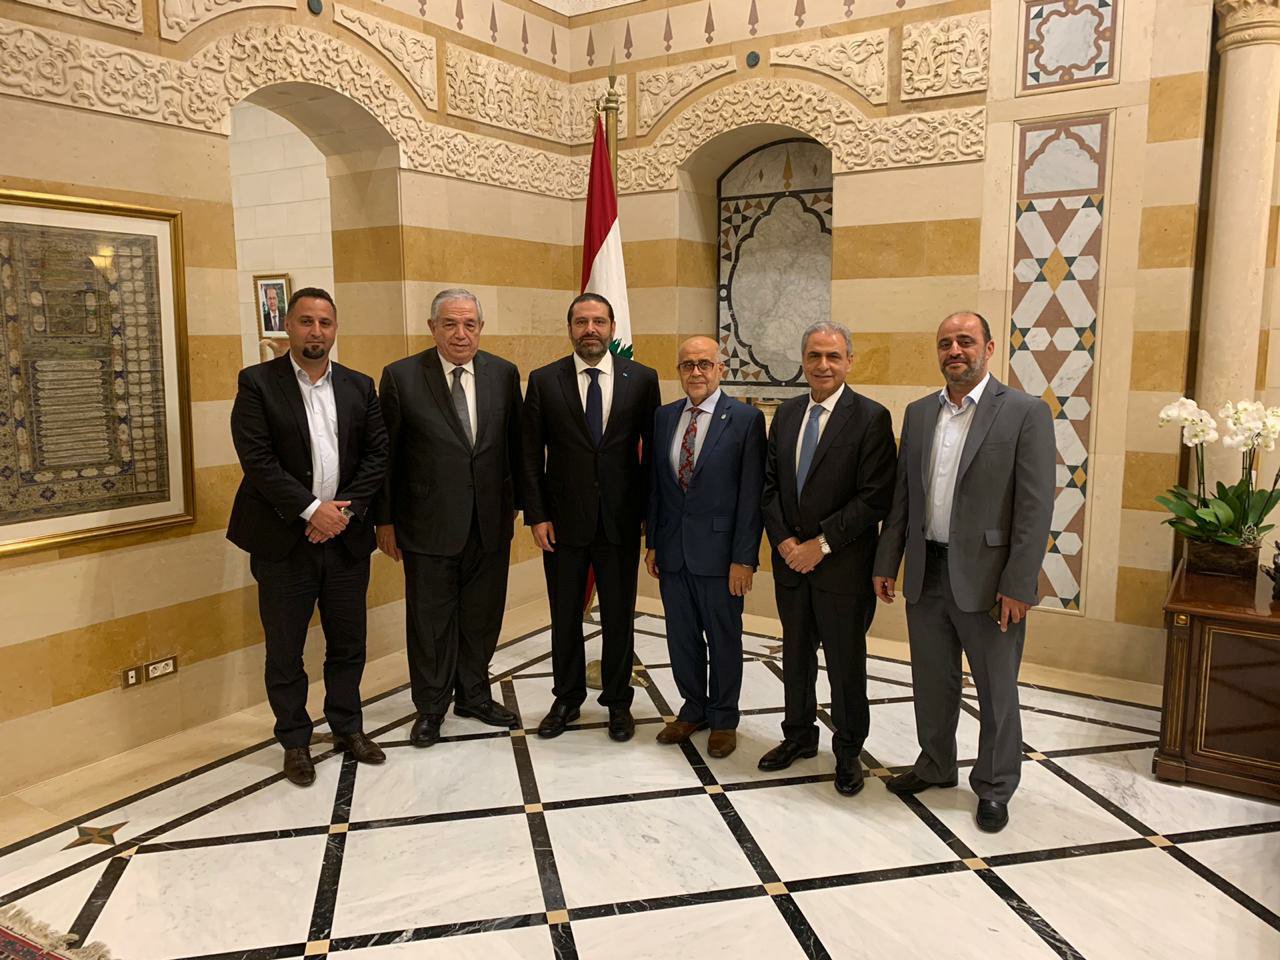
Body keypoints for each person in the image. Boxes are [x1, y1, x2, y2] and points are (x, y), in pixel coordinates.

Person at [873, 311, 1055, 833]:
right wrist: (887, 561)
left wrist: (1019, 584)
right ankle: (935, 764)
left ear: (989, 348)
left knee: (996, 689)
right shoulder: (919, 413)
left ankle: (995, 786)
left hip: (991, 579)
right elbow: (903, 496)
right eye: (946, 343)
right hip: (926, 570)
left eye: (966, 341)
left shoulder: (1024, 412)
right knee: (932, 680)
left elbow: (1035, 507)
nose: (955, 350)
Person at [228, 287, 389, 787]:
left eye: (324, 322)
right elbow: (257, 460)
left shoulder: (360, 386)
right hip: (283, 542)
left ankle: (348, 727)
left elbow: (377, 456)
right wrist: (311, 510)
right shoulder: (257, 383)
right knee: (285, 650)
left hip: (345, 539)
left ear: (335, 329)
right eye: (305, 321)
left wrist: (341, 512)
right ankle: (295, 740)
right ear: (288, 327)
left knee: (348, 643)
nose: (316, 331)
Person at [374, 289, 524, 746]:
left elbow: (516, 447)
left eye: (469, 324)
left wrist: (521, 508)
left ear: (480, 328)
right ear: (432, 328)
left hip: (490, 522)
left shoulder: (503, 373)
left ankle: (474, 695)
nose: (461, 334)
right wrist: (384, 520)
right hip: (427, 523)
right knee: (431, 621)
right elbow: (386, 457)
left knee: (482, 616)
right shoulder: (401, 377)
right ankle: (431, 706)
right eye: (450, 324)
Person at [758, 321, 896, 796]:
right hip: (790, 566)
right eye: (814, 355)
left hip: (842, 569)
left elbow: (875, 497)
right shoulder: (787, 413)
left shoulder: (871, 418)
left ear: (849, 362)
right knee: (795, 657)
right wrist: (784, 542)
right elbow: (770, 486)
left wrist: (820, 545)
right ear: (803, 361)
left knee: (844, 664)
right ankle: (798, 736)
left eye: (833, 356)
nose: (823, 365)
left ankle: (848, 750)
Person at [521, 293, 660, 741]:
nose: (590, 330)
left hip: (621, 521)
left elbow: (652, 455)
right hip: (562, 524)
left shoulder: (642, 378)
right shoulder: (545, 380)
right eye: (581, 322)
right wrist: (536, 515)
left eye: (598, 321)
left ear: (612, 328)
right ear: (570, 329)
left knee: (619, 616)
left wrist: (649, 515)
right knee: (565, 616)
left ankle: (618, 701)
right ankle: (566, 698)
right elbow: (529, 455)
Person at [645, 336, 765, 759]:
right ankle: (692, 709)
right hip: (673, 551)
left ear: (720, 369)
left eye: (704, 364)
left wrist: (744, 558)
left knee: (723, 638)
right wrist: (653, 543)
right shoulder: (664, 417)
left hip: (721, 555)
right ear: (679, 371)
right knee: (681, 637)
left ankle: (724, 718)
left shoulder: (746, 419)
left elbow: (751, 495)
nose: (696, 372)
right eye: (687, 365)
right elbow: (657, 487)